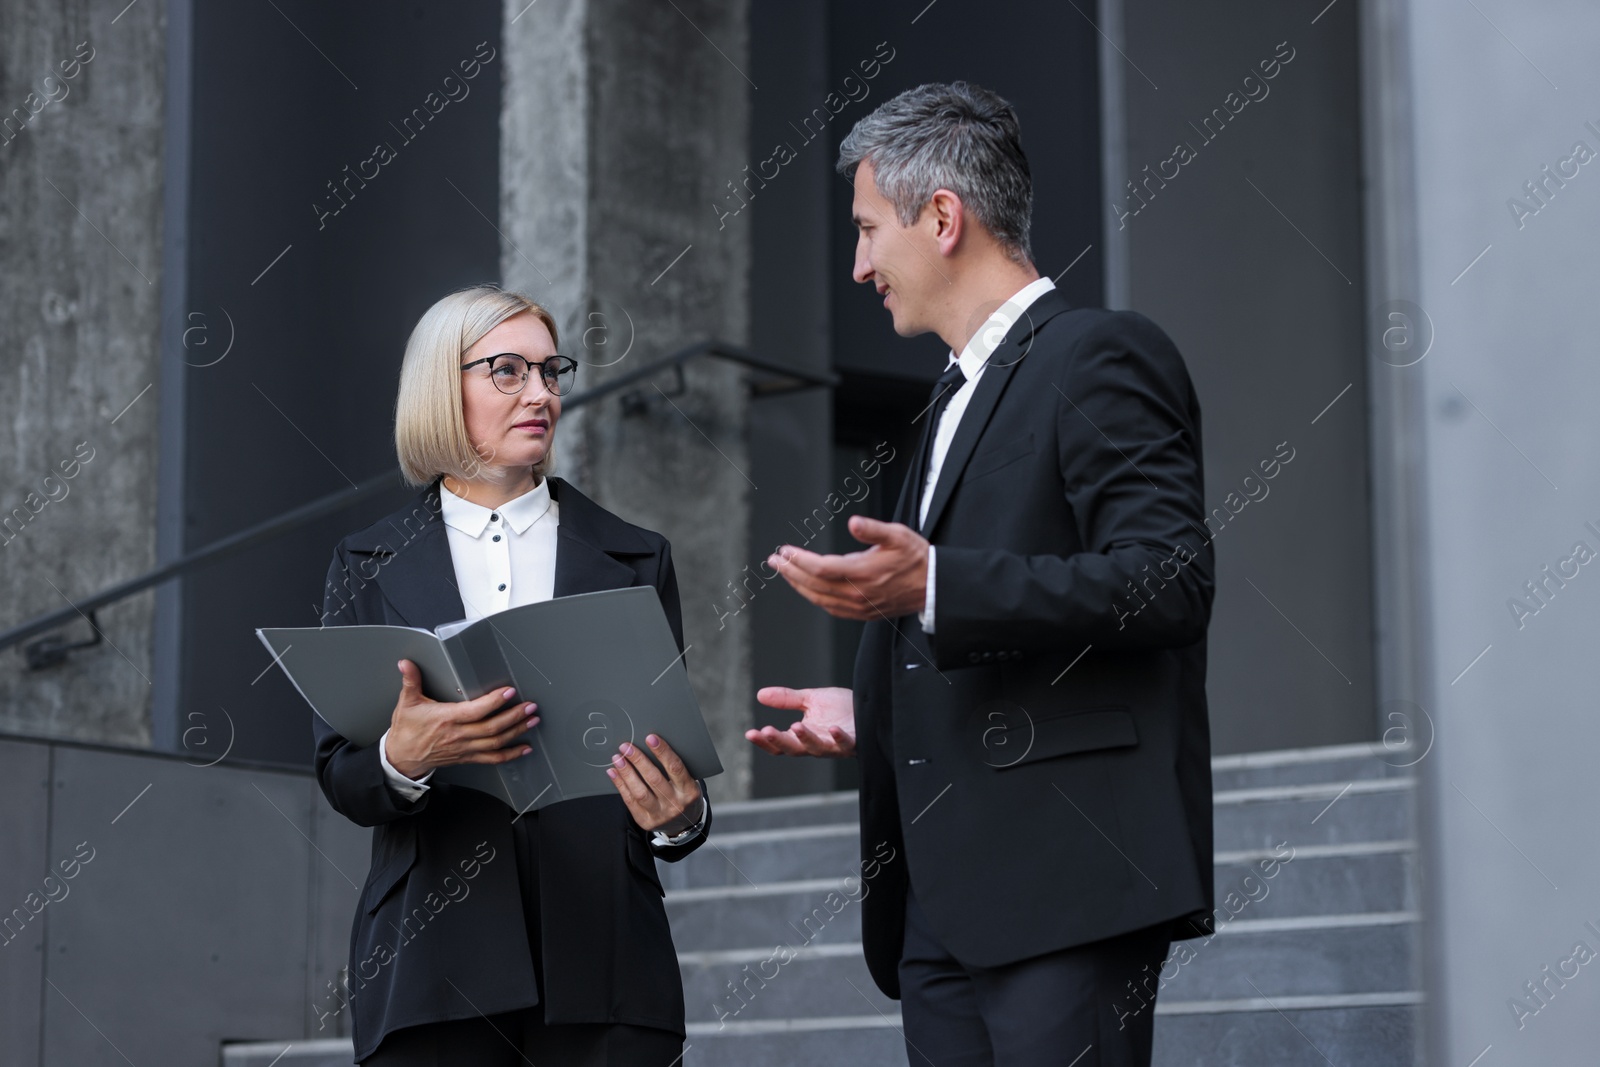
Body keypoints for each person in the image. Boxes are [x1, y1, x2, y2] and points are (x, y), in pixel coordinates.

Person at [747, 82, 1216, 1066]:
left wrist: (933, 587)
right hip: (943, 910)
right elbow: (970, 606)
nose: (859, 263)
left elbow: (1165, 578)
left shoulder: (1098, 355)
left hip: (1067, 881)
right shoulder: (948, 402)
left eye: (871, 229)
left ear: (944, 218)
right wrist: (870, 700)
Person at [312, 284, 710, 1066]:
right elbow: (341, 774)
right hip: (433, 967)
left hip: (605, 964)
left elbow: (672, 759)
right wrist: (407, 753)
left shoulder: (637, 558)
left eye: (550, 371)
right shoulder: (364, 563)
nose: (542, 393)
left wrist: (679, 818)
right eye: (507, 371)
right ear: (441, 387)